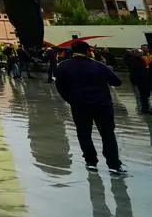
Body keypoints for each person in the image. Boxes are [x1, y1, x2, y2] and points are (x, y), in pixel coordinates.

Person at [54, 40, 126, 174]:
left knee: (84, 134)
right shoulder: (99, 66)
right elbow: (116, 82)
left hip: (79, 105)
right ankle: (114, 165)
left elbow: (60, 87)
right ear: (88, 52)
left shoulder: (63, 67)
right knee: (107, 134)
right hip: (102, 105)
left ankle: (91, 162)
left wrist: (70, 99)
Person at [125, 48, 152, 114]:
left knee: (145, 95)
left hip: (142, 79)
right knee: (141, 95)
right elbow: (134, 72)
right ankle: (145, 108)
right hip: (139, 80)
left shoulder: (139, 60)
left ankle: (146, 108)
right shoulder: (134, 61)